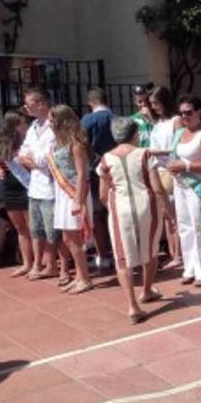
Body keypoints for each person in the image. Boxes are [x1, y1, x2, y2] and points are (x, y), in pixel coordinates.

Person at [97, 117, 166, 324]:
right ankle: (146, 290)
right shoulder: (144, 154)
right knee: (150, 249)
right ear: (134, 134)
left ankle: (132, 305)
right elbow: (157, 187)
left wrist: (115, 209)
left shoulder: (106, 159)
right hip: (147, 206)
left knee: (122, 256)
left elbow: (102, 194)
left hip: (120, 207)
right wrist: (169, 211)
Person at [18, 87, 68, 283]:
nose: (25, 107)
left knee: (56, 231)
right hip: (35, 187)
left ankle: (63, 268)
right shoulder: (32, 128)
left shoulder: (55, 126)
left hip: (50, 187)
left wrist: (32, 160)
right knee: (36, 230)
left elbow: (46, 158)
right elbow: (22, 153)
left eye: (28, 103)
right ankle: (42, 264)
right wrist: (30, 159)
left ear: (41, 104)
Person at [168, 94, 201, 286]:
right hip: (180, 186)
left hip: (197, 187)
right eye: (181, 113)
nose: (184, 116)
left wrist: (186, 166)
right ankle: (190, 267)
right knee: (185, 227)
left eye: (188, 112)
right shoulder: (179, 133)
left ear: (199, 112)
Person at [49, 104, 94, 294]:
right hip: (63, 193)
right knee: (68, 238)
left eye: (52, 119)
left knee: (74, 238)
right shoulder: (58, 143)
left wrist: (77, 200)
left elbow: (82, 173)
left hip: (75, 192)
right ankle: (79, 276)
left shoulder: (76, 143)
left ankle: (85, 278)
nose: (50, 123)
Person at [0, 110, 34, 277]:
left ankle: (40, 262)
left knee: (33, 228)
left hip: (27, 187)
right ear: (14, 125)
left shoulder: (30, 140)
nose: (26, 125)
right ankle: (26, 263)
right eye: (22, 122)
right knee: (20, 228)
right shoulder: (4, 143)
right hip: (10, 189)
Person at [147, 85, 183, 270]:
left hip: (171, 170)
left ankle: (179, 254)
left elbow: (178, 147)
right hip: (159, 170)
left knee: (174, 215)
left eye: (156, 103)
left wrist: (157, 152)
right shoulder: (157, 124)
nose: (154, 107)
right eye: (152, 104)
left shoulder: (176, 120)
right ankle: (172, 252)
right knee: (166, 217)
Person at [81, 87, 116, 271]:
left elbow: (80, 142)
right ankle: (121, 253)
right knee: (116, 212)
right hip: (116, 170)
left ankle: (103, 256)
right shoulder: (117, 118)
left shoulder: (88, 120)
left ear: (90, 103)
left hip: (95, 171)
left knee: (97, 215)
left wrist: (93, 160)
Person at [130, 83, 155, 148]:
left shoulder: (157, 116)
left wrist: (150, 118)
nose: (143, 104)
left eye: (145, 101)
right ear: (135, 102)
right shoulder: (131, 120)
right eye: (140, 102)